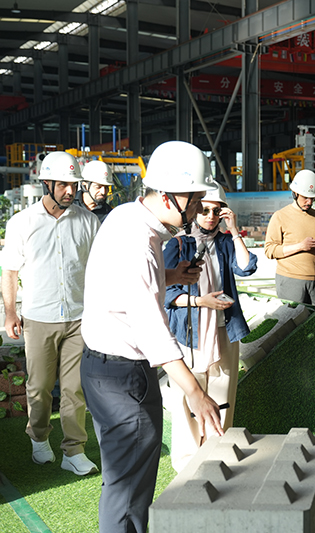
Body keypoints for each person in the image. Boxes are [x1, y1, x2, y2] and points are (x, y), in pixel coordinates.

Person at [80, 141, 224, 533]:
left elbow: (122, 283)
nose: (198, 208)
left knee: (121, 479)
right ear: (166, 195)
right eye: (195, 199)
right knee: (128, 492)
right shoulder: (140, 243)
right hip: (124, 377)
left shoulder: (127, 216)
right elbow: (152, 331)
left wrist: (170, 276)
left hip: (99, 367)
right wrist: (195, 392)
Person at [1, 151, 101, 476]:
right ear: (46, 183)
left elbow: (99, 269)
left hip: (79, 318)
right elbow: (9, 271)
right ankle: (39, 436)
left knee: (75, 388)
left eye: (73, 185)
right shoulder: (22, 223)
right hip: (38, 318)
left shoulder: (88, 222)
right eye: (62, 185)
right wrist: (10, 313)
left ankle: (74, 450)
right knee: (40, 386)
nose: (70, 191)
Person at [164, 182, 258, 471]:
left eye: (217, 211)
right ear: (194, 210)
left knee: (222, 394)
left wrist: (235, 230)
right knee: (187, 397)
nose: (210, 216)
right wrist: (200, 302)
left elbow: (247, 267)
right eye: (204, 210)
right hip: (189, 332)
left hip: (224, 329)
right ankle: (186, 462)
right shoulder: (178, 244)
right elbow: (166, 294)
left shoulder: (226, 242)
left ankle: (214, 454)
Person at [264, 169, 315, 306]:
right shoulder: (280, 216)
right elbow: (269, 250)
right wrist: (301, 246)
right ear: (295, 193)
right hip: (290, 280)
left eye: (312, 198)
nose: (309, 202)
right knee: (293, 317)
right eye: (305, 197)